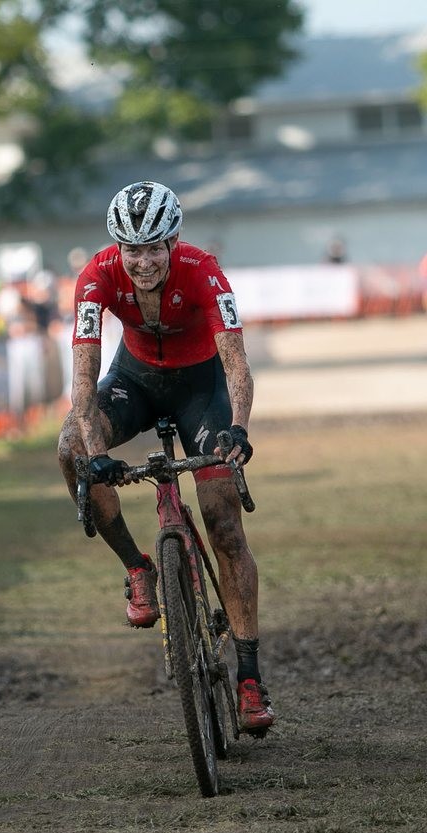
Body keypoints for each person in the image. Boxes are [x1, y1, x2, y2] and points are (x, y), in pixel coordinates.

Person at [55, 181, 275, 733]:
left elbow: (237, 366)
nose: (145, 261)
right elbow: (83, 380)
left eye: (155, 248)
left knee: (223, 521)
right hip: (135, 380)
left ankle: (249, 680)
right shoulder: (96, 278)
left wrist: (239, 430)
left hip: (201, 389)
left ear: (173, 240)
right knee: (70, 448)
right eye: (134, 250)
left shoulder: (204, 271)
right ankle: (137, 565)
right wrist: (98, 451)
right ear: (117, 248)